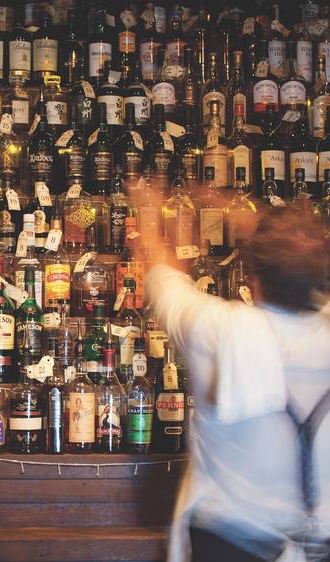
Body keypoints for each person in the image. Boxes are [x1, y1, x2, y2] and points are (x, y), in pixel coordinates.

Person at [144, 208, 330, 562]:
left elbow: (163, 276)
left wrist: (151, 208)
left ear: (250, 276)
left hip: (230, 545)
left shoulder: (217, 328)